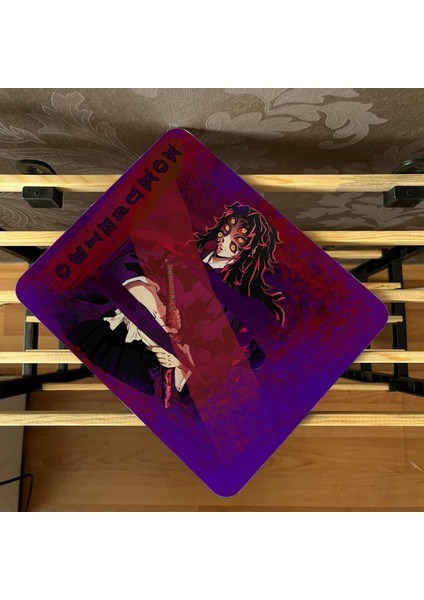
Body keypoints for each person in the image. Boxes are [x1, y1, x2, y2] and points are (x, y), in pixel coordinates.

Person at [68, 201, 285, 414]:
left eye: (237, 239)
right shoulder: (185, 249)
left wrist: (185, 358)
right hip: (119, 329)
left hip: (162, 372)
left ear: (252, 250)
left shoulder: (242, 300)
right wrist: (138, 288)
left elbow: (241, 355)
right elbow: (131, 258)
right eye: (226, 229)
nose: (224, 239)